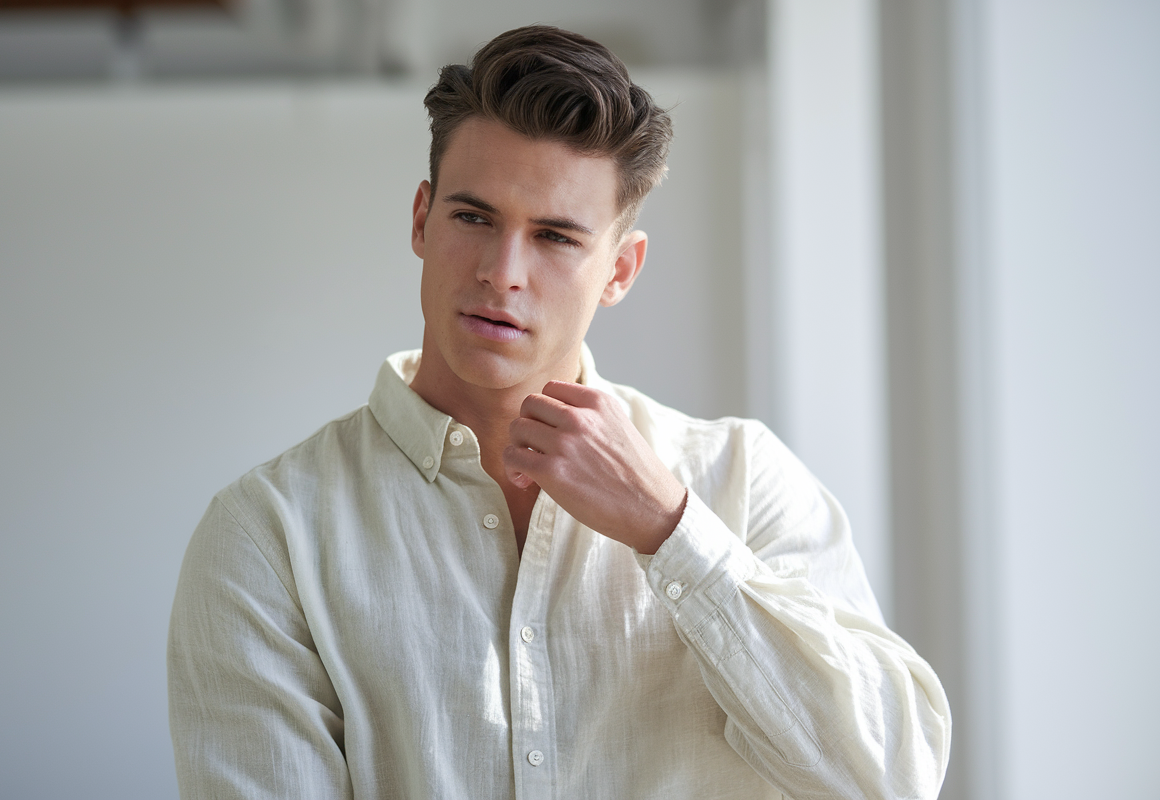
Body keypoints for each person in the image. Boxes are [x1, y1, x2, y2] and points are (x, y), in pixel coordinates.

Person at [167, 24, 951, 800]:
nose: (502, 273)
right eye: (473, 218)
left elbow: (892, 775)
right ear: (420, 219)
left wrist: (674, 532)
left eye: (554, 237)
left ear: (619, 270)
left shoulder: (742, 482)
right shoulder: (269, 535)